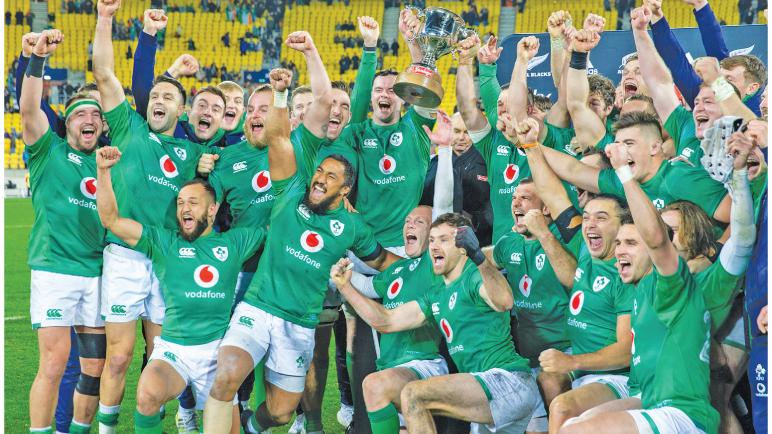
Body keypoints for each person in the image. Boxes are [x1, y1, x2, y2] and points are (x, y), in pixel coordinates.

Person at [204, 68, 401, 434]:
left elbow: (382, 261)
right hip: (259, 308)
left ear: (345, 191)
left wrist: (425, 269)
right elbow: (279, 141)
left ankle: (250, 425)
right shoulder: (290, 193)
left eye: (330, 177)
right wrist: (280, 95)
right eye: (319, 172)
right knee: (226, 375)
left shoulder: (353, 227)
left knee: (279, 413)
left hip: (299, 324)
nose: (319, 179)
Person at [91, 1, 218, 431]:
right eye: (156, 95)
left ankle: (159, 421)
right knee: (120, 356)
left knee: (163, 352)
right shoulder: (129, 127)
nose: (160, 100)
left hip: (168, 261)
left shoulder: (192, 152)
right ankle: (108, 427)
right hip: (125, 254)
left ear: (181, 112)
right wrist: (105, 19)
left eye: (170, 97)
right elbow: (105, 75)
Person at [557, 134, 738, 434]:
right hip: (653, 401)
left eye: (630, 243)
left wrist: (624, 174)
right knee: (573, 423)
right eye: (619, 243)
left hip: (680, 415)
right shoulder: (641, 288)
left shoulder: (672, 280)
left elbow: (656, 238)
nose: (620, 251)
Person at [94, 146, 266, 434]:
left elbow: (281, 226)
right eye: (181, 202)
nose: (184, 208)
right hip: (174, 351)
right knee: (147, 393)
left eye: (193, 203)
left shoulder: (236, 242)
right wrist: (103, 172)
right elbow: (111, 220)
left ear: (212, 210)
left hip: (217, 356)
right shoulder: (165, 242)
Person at [332, 213, 540, 433]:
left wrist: (478, 256)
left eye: (443, 240)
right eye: (431, 240)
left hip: (507, 381)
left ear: (462, 247)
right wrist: (346, 287)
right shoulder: (437, 294)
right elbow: (387, 321)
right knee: (411, 394)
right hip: (486, 390)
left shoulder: (473, 275)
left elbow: (504, 301)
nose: (434, 246)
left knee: (414, 394)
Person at [506, 117, 633, 433]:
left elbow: (625, 351)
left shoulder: (628, 270)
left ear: (623, 225)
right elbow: (554, 195)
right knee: (548, 379)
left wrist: (573, 363)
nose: (588, 223)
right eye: (586, 217)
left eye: (600, 218)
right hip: (582, 366)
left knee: (563, 407)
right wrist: (531, 147)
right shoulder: (585, 250)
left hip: (620, 375)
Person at [21, 28, 107, 434]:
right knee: (54, 364)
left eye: (95, 114)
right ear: (67, 124)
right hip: (56, 271)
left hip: (97, 274)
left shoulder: (109, 162)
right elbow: (28, 109)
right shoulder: (47, 150)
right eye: (79, 114)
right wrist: (36, 59)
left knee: (93, 367)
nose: (88, 120)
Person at [483, 177, 574, 434]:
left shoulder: (563, 239)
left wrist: (543, 233)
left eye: (525, 198)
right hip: (526, 359)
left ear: (546, 208)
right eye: (514, 198)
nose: (516, 203)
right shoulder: (509, 242)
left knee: (550, 381)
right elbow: (487, 257)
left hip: (566, 351)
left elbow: (574, 278)